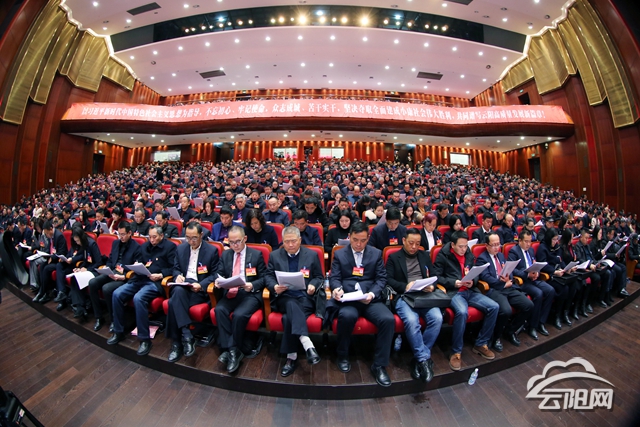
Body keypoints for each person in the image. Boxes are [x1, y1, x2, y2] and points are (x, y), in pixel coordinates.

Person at [328, 221, 394, 387]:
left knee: (388, 319)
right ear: (349, 237)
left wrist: (371, 294)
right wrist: (336, 289)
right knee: (346, 316)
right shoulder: (340, 254)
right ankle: (342, 354)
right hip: (349, 298)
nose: (359, 244)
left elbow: (381, 279)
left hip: (370, 298)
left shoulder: (376, 253)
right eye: (355, 240)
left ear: (368, 238)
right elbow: (334, 277)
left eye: (363, 240)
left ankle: (379, 365)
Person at [432, 230, 499, 371]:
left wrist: (473, 281)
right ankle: (456, 352)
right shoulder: (443, 255)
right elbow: (436, 277)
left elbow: (475, 272)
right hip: (454, 292)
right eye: (460, 246)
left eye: (465, 246)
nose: (464, 249)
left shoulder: (468, 253)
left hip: (470, 290)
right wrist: (453, 283)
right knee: (462, 312)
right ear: (452, 245)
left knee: (494, 307)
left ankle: (481, 343)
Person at [107, 225, 177, 356]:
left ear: (162, 236)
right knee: (117, 294)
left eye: (154, 237)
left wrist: (161, 274)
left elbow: (174, 268)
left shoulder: (170, 247)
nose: (152, 240)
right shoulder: (144, 246)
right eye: (150, 237)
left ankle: (144, 339)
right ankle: (118, 331)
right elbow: (140, 262)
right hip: (140, 278)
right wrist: (137, 267)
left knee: (139, 298)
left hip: (155, 282)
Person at [386, 228, 442, 383]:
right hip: (404, 296)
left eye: (417, 244)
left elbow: (434, 275)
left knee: (437, 318)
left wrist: (432, 286)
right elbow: (388, 280)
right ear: (404, 241)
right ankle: (424, 359)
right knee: (411, 321)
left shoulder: (424, 255)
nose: (414, 247)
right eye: (411, 243)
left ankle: (419, 359)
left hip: (424, 295)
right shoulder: (394, 257)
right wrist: (406, 286)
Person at [266, 226, 323, 376]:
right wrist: (275, 286)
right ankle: (307, 343)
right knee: (291, 303)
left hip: (305, 297)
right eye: (286, 242)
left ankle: (291, 357)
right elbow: (268, 276)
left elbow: (319, 277)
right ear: (282, 242)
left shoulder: (311, 255)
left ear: (300, 240)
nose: (290, 245)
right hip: (284, 297)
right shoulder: (275, 255)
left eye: (293, 241)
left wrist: (313, 285)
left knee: (287, 319)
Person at [214, 226, 267, 373]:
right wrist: (218, 281)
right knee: (219, 310)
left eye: (237, 241)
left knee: (239, 314)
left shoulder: (256, 255)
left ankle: (230, 350)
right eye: (231, 242)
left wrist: (252, 285)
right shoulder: (226, 255)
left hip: (249, 293)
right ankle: (233, 350)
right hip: (231, 292)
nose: (235, 245)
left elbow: (264, 278)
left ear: (245, 239)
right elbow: (218, 273)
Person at [166, 223, 219, 363]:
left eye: (194, 238)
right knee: (178, 290)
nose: (191, 241)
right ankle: (187, 335)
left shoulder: (211, 251)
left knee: (172, 303)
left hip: (198, 290)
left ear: (201, 235)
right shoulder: (181, 248)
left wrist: (201, 285)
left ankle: (177, 343)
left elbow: (215, 274)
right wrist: (177, 276)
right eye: (188, 238)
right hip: (183, 285)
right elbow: (176, 268)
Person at [74, 222, 141, 332]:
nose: (121, 237)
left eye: (123, 234)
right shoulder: (116, 243)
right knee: (92, 283)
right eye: (119, 234)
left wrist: (123, 276)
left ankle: (114, 319)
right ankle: (99, 317)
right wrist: (107, 268)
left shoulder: (136, 247)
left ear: (130, 233)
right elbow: (110, 259)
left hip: (123, 276)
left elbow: (135, 268)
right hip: (112, 272)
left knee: (106, 288)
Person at [477, 232, 533, 351]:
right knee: (506, 311)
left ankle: (510, 331)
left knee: (528, 305)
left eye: (498, 244)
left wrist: (509, 278)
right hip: (494, 289)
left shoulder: (501, 256)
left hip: (508, 287)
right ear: (487, 245)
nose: (497, 247)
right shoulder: (482, 258)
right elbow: (486, 277)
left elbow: (509, 270)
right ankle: (496, 337)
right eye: (494, 245)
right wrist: (502, 283)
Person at [508, 229, 555, 339]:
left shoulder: (531, 250)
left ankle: (541, 322)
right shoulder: (513, 251)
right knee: (538, 293)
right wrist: (527, 275)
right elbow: (513, 270)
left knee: (550, 290)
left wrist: (537, 272)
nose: (528, 244)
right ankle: (532, 326)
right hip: (523, 281)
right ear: (520, 241)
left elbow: (534, 264)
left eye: (530, 241)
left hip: (534, 279)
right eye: (526, 241)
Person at [535, 228, 579, 330]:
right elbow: (543, 265)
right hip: (549, 275)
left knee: (574, 284)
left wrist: (566, 269)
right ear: (549, 238)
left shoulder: (557, 247)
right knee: (564, 289)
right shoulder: (543, 247)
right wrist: (554, 271)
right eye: (554, 239)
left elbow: (560, 260)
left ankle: (565, 312)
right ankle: (556, 316)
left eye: (556, 239)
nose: (555, 242)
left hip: (559, 273)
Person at [32, 220, 69, 303]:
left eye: (47, 233)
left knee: (46, 268)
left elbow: (62, 252)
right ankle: (43, 292)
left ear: (51, 229)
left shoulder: (59, 236)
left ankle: (44, 292)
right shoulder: (50, 237)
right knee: (42, 266)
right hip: (51, 258)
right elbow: (50, 249)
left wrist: (52, 257)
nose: (46, 235)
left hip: (59, 261)